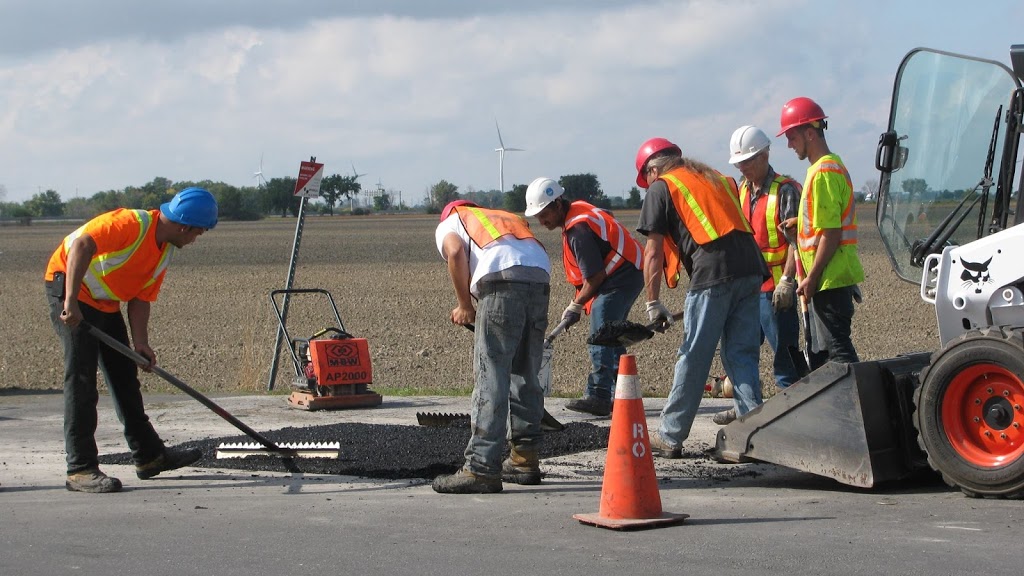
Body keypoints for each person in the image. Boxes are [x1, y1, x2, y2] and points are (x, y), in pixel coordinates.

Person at [44, 187, 219, 493]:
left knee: (125, 376)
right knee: (82, 378)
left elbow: (140, 297)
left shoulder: (163, 251)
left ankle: (149, 457)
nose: (195, 240)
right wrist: (70, 301)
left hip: (104, 302)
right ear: (184, 226)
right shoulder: (131, 224)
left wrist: (141, 343)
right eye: (198, 233)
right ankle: (80, 469)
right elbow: (82, 245)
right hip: (69, 290)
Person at [633, 137, 769, 458]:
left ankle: (669, 436)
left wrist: (653, 303)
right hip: (751, 268)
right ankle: (757, 436)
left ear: (653, 170)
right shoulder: (716, 178)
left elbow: (652, 253)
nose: (647, 186)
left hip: (713, 274)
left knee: (694, 355)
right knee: (741, 356)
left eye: (646, 180)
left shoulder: (662, 186)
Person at [432, 200, 551, 493]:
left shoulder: (451, 220)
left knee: (491, 376)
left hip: (501, 281)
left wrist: (464, 305)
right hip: (539, 276)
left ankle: (481, 468)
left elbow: (456, 252)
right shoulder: (502, 217)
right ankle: (525, 459)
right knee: (525, 372)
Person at [713, 126, 811, 425]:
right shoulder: (741, 189)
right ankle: (748, 411)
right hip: (747, 290)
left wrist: (787, 281)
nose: (743, 168)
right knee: (739, 352)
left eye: (749, 161)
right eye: (739, 163)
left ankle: (794, 416)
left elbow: (796, 241)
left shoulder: (785, 190)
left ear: (766, 155)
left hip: (776, 291)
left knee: (784, 357)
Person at [524, 177, 644, 417]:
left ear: (558, 204)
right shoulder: (577, 214)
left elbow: (596, 276)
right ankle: (624, 395)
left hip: (621, 277)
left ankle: (599, 396)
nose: (541, 221)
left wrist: (576, 305)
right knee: (613, 337)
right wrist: (576, 306)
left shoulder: (577, 230)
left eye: (543, 214)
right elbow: (589, 275)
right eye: (537, 216)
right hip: (626, 272)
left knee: (601, 336)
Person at [777, 97, 864, 369]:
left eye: (791, 136)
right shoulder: (826, 167)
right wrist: (798, 223)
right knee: (834, 352)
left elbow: (831, 232)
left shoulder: (823, 171)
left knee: (839, 354)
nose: (789, 144)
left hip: (830, 278)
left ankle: (855, 409)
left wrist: (812, 277)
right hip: (832, 276)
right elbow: (823, 223)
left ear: (810, 133)